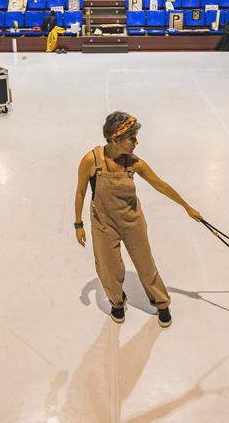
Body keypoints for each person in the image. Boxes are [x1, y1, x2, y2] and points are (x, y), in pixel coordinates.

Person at [73, 112, 202, 327]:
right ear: (115, 138)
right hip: (103, 224)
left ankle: (162, 304)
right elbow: (80, 192)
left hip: (132, 222)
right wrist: (78, 224)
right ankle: (117, 302)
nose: (136, 142)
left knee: (145, 264)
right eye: (132, 138)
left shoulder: (134, 163)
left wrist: (187, 207)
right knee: (108, 266)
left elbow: (160, 185)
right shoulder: (91, 161)